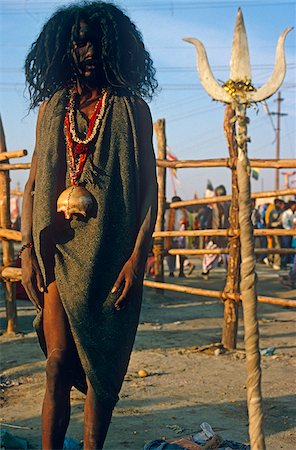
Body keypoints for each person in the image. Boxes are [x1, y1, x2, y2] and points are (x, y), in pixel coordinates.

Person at [20, 3, 158, 449]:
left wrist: (136, 260)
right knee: (58, 362)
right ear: (65, 47)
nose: (89, 50)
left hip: (112, 256)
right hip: (61, 254)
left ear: (115, 47)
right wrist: (26, 251)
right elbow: (32, 187)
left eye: (97, 41)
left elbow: (149, 194)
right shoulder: (52, 111)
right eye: (79, 41)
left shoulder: (132, 109)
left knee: (101, 374)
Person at [165, 196, 195, 278]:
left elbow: (188, 223)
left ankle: (178, 272)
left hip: (178, 237)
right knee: (171, 254)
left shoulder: (183, 212)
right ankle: (174, 272)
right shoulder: (169, 212)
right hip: (171, 236)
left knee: (178, 254)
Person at [267, 198, 285, 270]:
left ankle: (273, 260)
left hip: (280, 230)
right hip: (274, 230)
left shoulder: (281, 211)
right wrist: (278, 223)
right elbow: (270, 223)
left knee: (277, 246)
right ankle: (275, 262)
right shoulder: (273, 212)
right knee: (276, 246)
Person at [280, 200, 296, 268]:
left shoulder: (295, 213)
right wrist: (291, 229)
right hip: (286, 232)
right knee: (285, 248)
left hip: (293, 233)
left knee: (292, 248)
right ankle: (283, 264)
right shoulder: (286, 213)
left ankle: (291, 264)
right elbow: (285, 224)